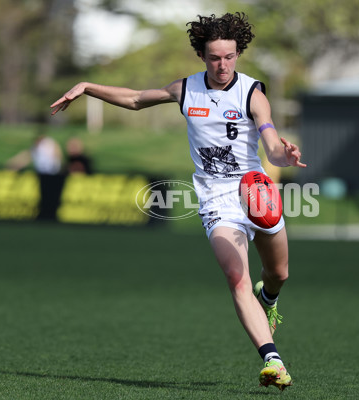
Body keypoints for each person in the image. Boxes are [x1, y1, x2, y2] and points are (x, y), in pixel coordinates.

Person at [50, 12, 305, 391]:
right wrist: (87, 86)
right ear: (202, 56)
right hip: (216, 199)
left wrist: (283, 155)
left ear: (239, 54)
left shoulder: (253, 92)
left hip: (255, 191)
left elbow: (269, 137)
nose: (223, 64)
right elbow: (136, 98)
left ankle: (268, 299)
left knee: (279, 274)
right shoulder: (186, 90)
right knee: (236, 276)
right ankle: (273, 359)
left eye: (230, 56)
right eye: (215, 57)